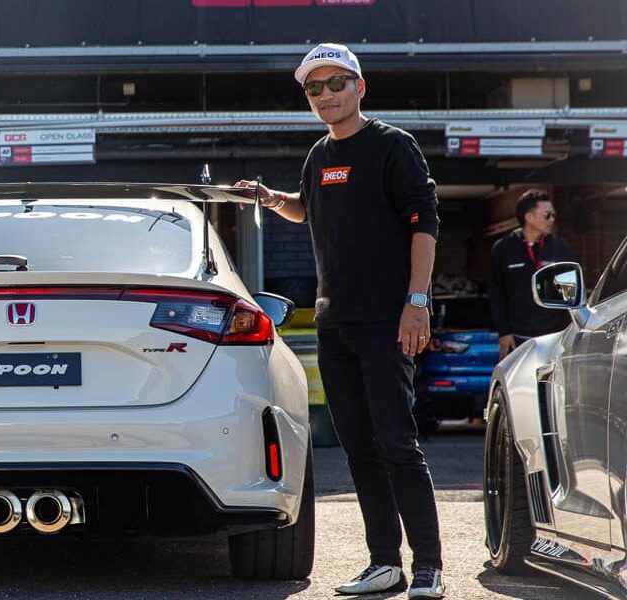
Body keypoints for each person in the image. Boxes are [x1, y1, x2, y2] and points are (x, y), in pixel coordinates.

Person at [235, 43, 445, 599]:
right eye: (314, 88)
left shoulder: (393, 146)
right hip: (335, 323)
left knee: (398, 443)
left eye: (336, 84)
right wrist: (268, 197)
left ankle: (428, 566)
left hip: (387, 320)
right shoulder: (318, 155)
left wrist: (416, 302)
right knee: (359, 448)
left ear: (359, 87)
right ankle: (385, 563)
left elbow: (425, 224)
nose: (326, 96)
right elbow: (307, 205)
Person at [489, 189, 575, 359]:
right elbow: (496, 293)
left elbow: (571, 291)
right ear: (529, 217)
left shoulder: (560, 247)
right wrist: (503, 332)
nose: (552, 219)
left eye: (553, 215)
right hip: (518, 337)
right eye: (547, 215)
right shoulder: (503, 248)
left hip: (556, 336)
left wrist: (569, 331)